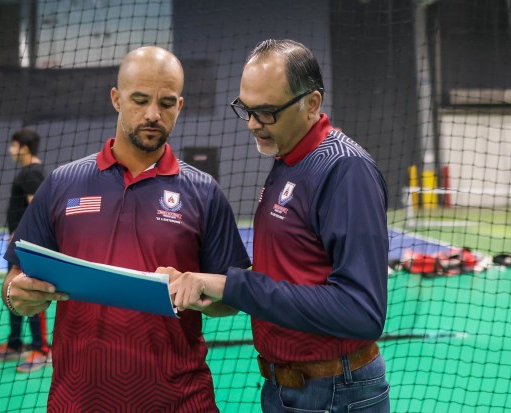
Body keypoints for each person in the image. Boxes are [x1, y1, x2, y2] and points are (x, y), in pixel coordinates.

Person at [1, 46, 250, 411]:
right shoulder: (62, 184)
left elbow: (233, 299)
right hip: (78, 401)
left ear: (179, 107)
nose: (153, 114)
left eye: (166, 103)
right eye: (140, 100)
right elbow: (14, 278)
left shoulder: (204, 192)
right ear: (116, 99)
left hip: (180, 401)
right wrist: (16, 296)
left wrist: (203, 294)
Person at [167, 39, 390, 412]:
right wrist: (220, 293)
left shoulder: (345, 170)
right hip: (288, 389)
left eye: (267, 112)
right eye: (247, 109)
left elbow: (361, 311)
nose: (253, 124)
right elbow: (295, 274)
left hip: (334, 393)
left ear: (312, 104)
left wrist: (234, 284)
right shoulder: (288, 159)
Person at [0, 129, 50, 373]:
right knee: (13, 291)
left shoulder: (32, 173)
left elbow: (35, 209)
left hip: (26, 247)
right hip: (18, 246)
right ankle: (15, 343)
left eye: (13, 145)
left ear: (23, 147)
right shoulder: (29, 172)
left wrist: (21, 237)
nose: (10, 150)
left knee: (31, 294)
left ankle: (42, 350)